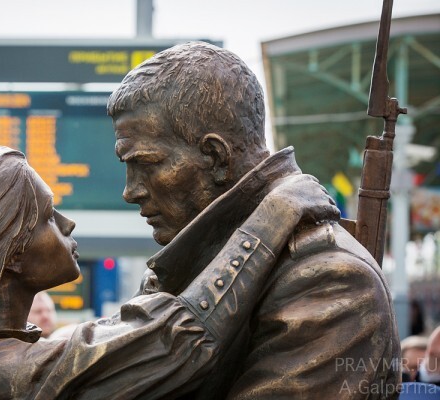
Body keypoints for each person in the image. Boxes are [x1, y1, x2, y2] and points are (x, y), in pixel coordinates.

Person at [0, 146, 336, 399]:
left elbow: (121, 336)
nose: (67, 224)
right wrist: (275, 214)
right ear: (8, 255)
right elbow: (182, 341)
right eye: (49, 217)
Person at [107, 41, 400, 398]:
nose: (131, 191)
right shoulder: (190, 266)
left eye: (146, 164)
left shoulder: (329, 281)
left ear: (216, 158)